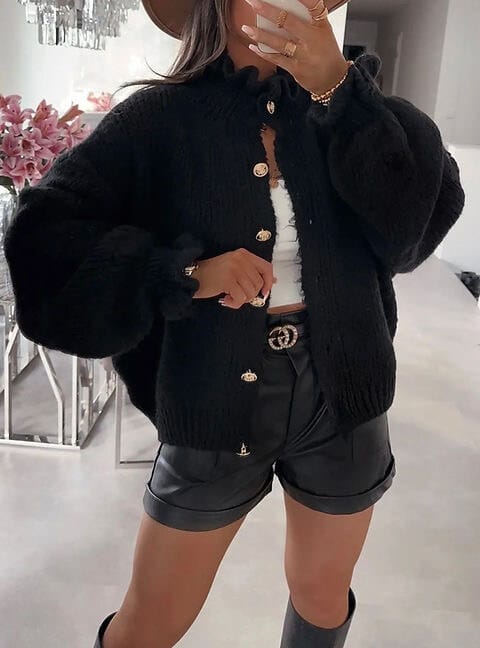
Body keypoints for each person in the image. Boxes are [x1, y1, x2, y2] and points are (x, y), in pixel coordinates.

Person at [4, 0, 465, 646]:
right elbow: (42, 240)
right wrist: (180, 274)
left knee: (322, 594)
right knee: (151, 619)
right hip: (211, 397)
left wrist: (340, 93)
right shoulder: (158, 120)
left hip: (345, 395)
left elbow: (411, 233)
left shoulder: (359, 110)